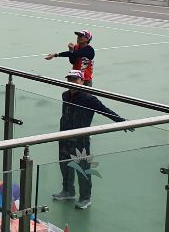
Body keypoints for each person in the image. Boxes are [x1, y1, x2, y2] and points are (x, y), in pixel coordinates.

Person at [52, 70, 127, 210]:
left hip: (81, 138)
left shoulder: (89, 99)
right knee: (64, 164)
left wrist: (122, 122)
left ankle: (85, 198)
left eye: (75, 80)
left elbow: (104, 110)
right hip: (64, 136)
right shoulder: (65, 95)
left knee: (82, 169)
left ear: (82, 81)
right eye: (70, 80)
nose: (72, 82)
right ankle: (68, 191)